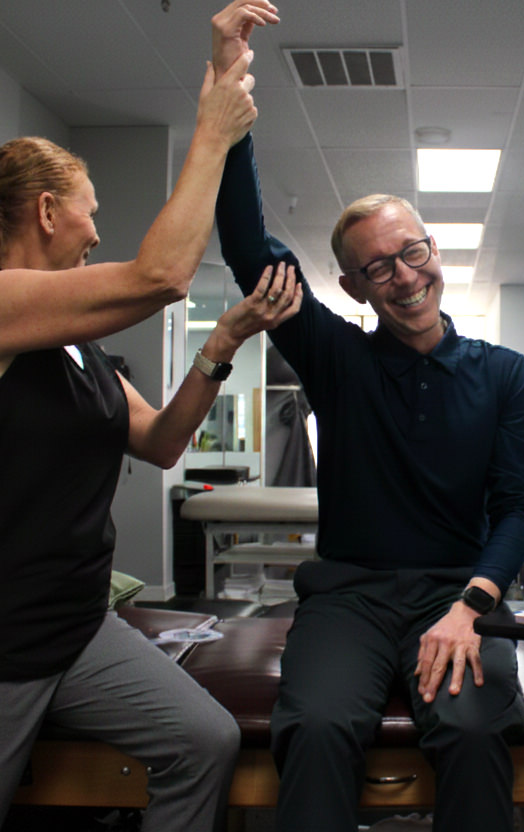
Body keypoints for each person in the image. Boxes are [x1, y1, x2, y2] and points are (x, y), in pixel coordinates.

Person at [212, 5, 524, 832]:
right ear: (355, 288)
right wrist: (231, 91)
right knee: (319, 728)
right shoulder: (337, 358)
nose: (402, 275)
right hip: (348, 599)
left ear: (433, 251)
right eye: (376, 268)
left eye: (412, 252)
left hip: (456, 592)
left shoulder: (504, 374)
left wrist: (472, 604)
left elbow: (514, 508)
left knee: (471, 730)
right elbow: (250, 247)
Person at [0, 3, 299, 831]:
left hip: (75, 627)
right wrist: (210, 128)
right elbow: (166, 272)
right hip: (6, 643)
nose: (99, 230)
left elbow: (163, 444)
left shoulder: (80, 350)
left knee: (201, 738)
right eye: (91, 210)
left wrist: (227, 340)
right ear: (49, 212)